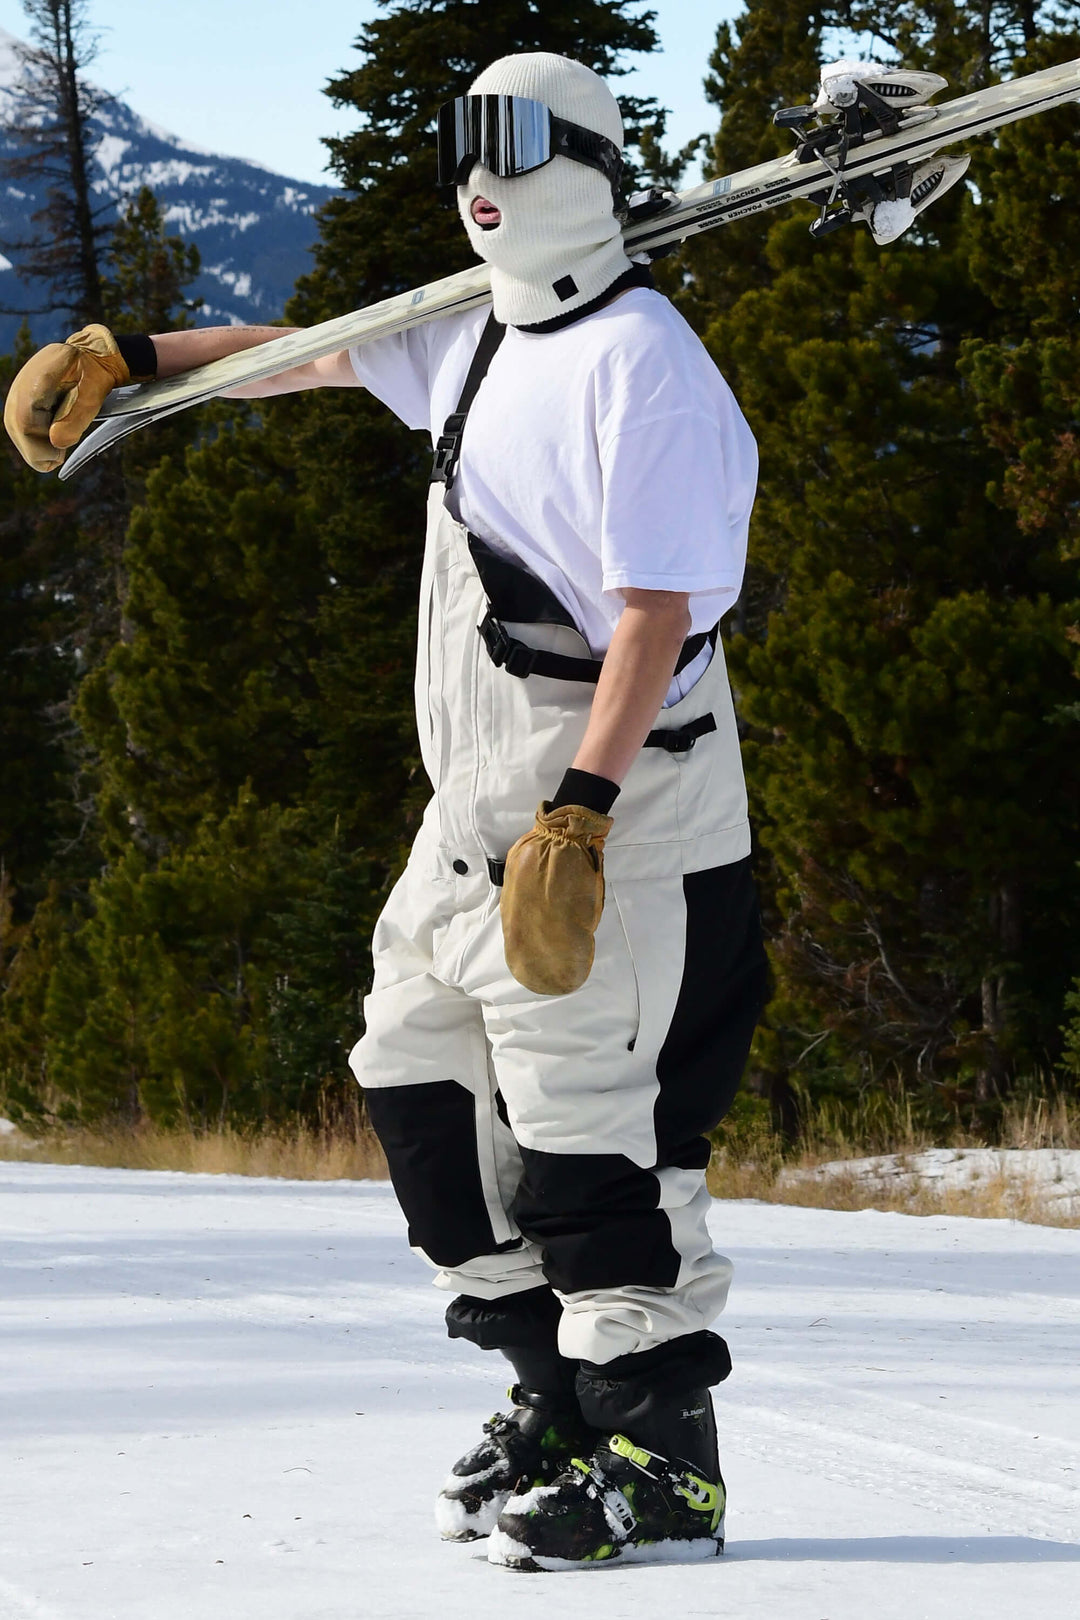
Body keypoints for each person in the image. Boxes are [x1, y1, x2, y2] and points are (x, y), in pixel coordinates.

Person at [4, 51, 767, 1573]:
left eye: (516, 143)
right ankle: (554, 1395)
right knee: (421, 1101)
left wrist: (584, 815)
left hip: (610, 820)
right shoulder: (483, 333)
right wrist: (135, 353)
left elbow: (658, 613)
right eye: (462, 143)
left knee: (594, 1151)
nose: (481, 176)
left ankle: (661, 1453)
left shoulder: (643, 363)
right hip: (466, 821)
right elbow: (325, 353)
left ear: (588, 161)